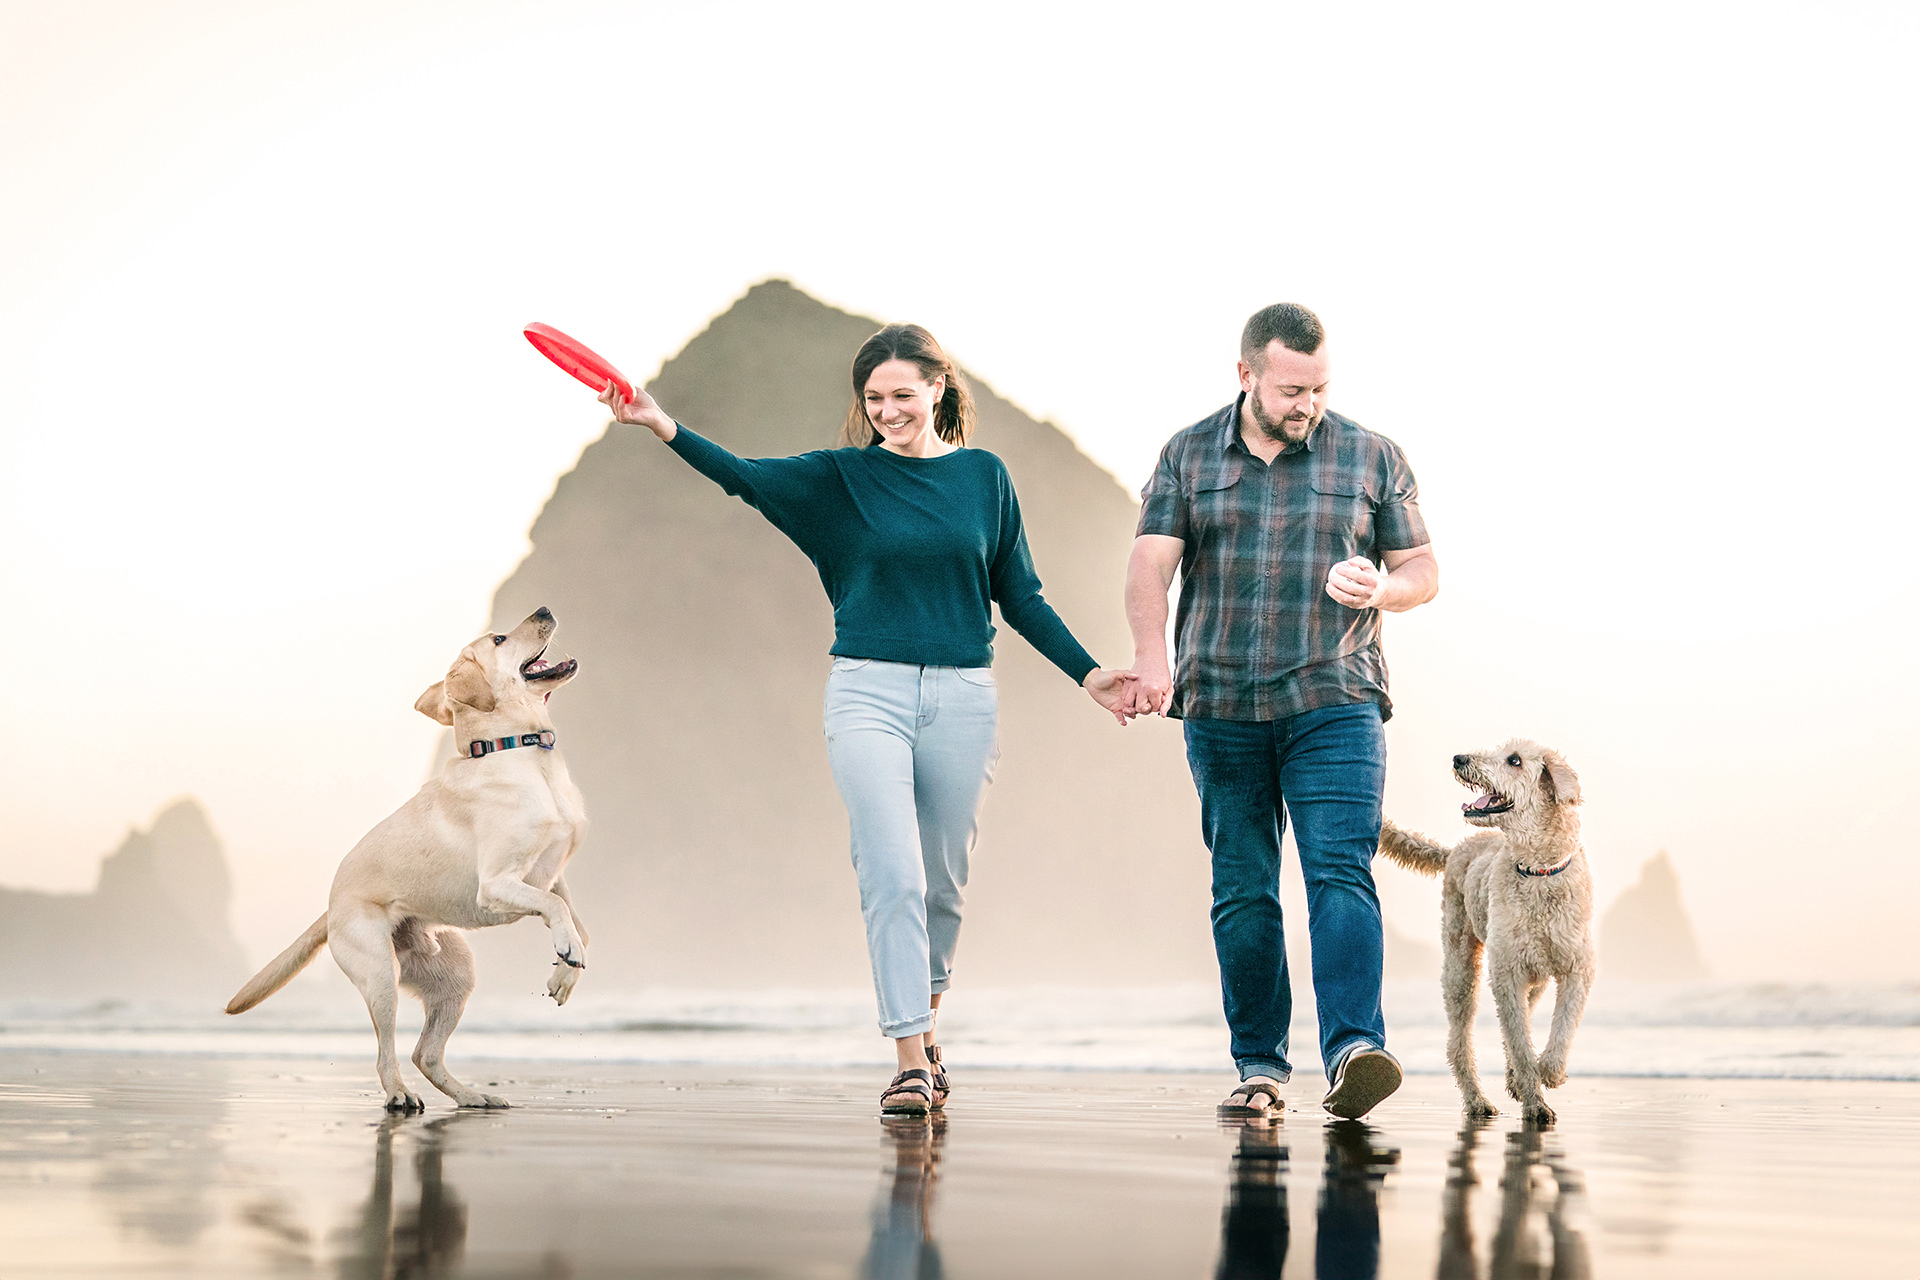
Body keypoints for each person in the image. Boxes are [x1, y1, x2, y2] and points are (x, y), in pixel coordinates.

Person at [599, 323, 1137, 1116]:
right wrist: (659, 421)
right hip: (866, 695)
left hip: (963, 696)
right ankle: (909, 1061)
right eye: (874, 398)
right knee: (893, 874)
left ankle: (926, 1033)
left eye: (902, 395)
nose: (887, 410)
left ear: (938, 389)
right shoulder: (839, 480)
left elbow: (1018, 594)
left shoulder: (985, 478)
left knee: (944, 887)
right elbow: (743, 477)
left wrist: (1088, 673)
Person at [1124, 303, 1438, 1120]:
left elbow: (1422, 567)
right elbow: (1149, 566)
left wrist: (1386, 587)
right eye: (1291, 389)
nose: (1307, 404)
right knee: (1244, 888)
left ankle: (1355, 1050)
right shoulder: (1188, 453)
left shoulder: (1372, 454)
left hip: (1335, 698)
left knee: (1340, 869)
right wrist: (1154, 658)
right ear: (1246, 376)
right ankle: (1260, 1068)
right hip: (1221, 705)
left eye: (1319, 387)